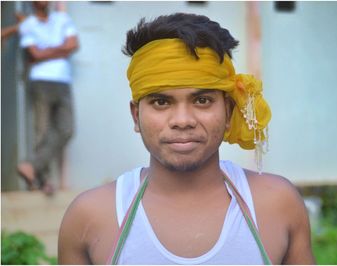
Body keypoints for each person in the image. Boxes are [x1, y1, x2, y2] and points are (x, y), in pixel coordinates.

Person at [58, 13, 315, 264]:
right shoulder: (90, 217)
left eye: (202, 100)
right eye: (161, 101)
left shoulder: (277, 204)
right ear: (136, 116)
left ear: (228, 111)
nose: (182, 120)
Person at [16, 1, 78, 195]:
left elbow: (72, 45)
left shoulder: (63, 19)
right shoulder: (28, 24)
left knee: (66, 129)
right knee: (42, 131)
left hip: (63, 80)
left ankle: (30, 166)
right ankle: (41, 182)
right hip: (41, 81)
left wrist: (45, 52)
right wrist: (60, 49)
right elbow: (34, 53)